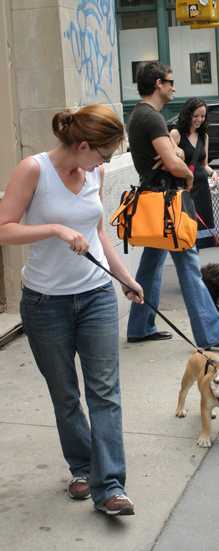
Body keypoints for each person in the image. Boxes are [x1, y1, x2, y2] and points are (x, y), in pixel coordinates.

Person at [0, 104, 144, 516]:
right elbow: (4, 227)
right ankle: (82, 467)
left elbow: (98, 232)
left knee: (105, 392)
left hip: (96, 294)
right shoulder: (34, 170)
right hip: (45, 303)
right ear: (82, 145)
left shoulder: (94, 172)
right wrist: (55, 229)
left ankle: (110, 485)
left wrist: (125, 278)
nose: (105, 162)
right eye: (104, 154)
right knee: (65, 394)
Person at [126, 61, 219, 350]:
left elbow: (174, 154)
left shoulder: (140, 115)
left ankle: (140, 327)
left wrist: (176, 155)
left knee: (151, 267)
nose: (174, 88)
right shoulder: (152, 118)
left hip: (155, 200)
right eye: (170, 81)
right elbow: (172, 162)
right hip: (170, 202)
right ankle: (211, 335)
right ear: (158, 84)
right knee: (189, 267)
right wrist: (188, 174)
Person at [170, 97, 218, 249]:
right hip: (185, 188)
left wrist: (213, 173)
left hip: (202, 188)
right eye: (195, 115)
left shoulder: (204, 136)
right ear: (187, 114)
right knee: (185, 232)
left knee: (200, 233)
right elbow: (169, 162)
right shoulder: (176, 134)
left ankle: (194, 261)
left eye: (202, 116)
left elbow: (204, 165)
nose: (199, 119)